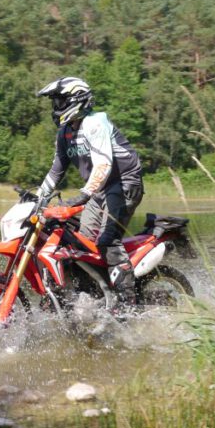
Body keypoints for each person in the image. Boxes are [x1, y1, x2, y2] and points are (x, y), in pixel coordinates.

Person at [35, 76, 145, 308]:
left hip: (125, 183)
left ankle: (129, 306)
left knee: (107, 241)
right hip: (100, 190)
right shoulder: (64, 133)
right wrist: (38, 197)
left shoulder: (95, 123)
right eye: (54, 103)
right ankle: (97, 294)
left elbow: (103, 164)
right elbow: (56, 171)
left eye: (59, 102)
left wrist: (84, 194)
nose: (55, 108)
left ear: (76, 100)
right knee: (82, 244)